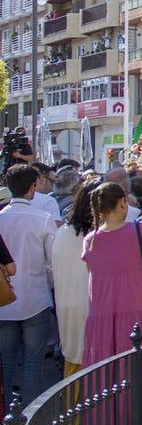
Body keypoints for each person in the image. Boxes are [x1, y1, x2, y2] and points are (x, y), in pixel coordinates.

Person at [81, 182, 142, 363]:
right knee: (140, 371)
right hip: (137, 309)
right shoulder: (140, 230)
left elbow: (92, 276)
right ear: (122, 203)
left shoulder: (89, 240)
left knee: (105, 376)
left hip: (101, 314)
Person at [0, 164, 58, 409]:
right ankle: (28, 419)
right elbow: (52, 262)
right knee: (33, 363)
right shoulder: (42, 219)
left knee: (7, 363)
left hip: (4, 300)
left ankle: (5, 417)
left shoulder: (2, 218)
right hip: (36, 297)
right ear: (33, 187)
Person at [52, 179, 98, 377]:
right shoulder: (98, 236)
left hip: (67, 305)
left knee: (73, 364)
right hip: (93, 307)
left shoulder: (63, 233)